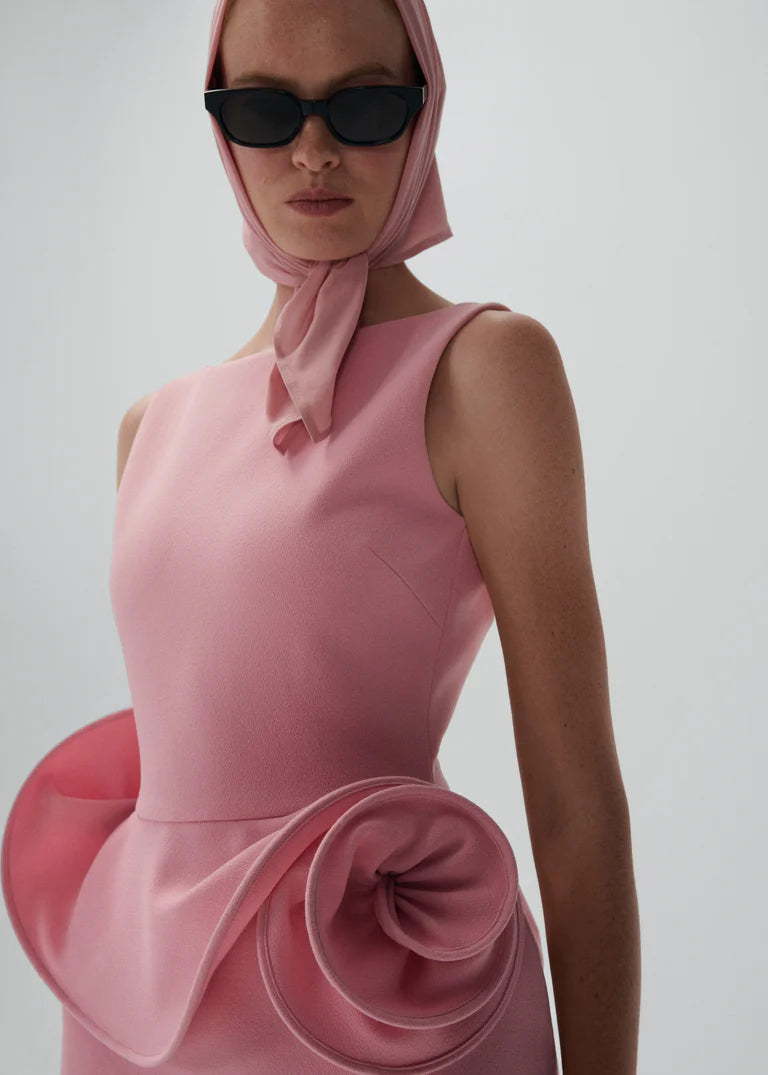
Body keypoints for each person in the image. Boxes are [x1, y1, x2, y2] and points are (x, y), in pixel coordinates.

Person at [1, 1, 640, 1072]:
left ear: (424, 110)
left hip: (385, 1014)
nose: (312, 150)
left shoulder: (485, 370)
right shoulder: (150, 428)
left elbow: (577, 804)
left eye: (364, 105)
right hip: (144, 1015)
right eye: (264, 110)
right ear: (220, 125)